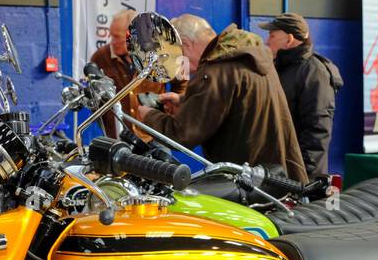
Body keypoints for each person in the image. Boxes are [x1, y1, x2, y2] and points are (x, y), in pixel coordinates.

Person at [134, 13, 307, 182]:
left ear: (186, 44)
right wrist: (185, 100)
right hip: (278, 173)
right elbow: (236, 99)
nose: (179, 64)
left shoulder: (216, 69)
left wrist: (148, 115)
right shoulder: (245, 55)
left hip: (251, 181)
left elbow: (183, 135)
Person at [261, 12, 342, 178]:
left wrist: (305, 178)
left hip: (299, 176)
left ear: (289, 39)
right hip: (276, 171)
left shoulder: (315, 73)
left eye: (272, 35)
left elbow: (317, 131)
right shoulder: (277, 68)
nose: (267, 41)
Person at [87, 8, 167, 139]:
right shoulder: (100, 58)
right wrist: (107, 122)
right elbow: (93, 97)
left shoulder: (158, 54)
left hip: (155, 136)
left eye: (116, 37)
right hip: (119, 138)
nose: (112, 41)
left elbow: (180, 83)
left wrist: (172, 114)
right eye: (111, 35)